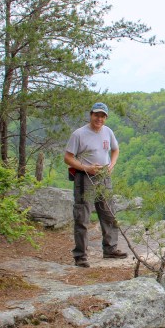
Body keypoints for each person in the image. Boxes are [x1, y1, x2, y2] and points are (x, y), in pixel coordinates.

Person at [64, 102, 128, 267]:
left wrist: (111, 165)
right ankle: (80, 256)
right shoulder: (79, 134)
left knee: (108, 213)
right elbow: (68, 158)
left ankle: (110, 249)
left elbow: (115, 149)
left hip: (104, 177)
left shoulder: (108, 132)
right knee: (82, 216)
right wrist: (87, 168)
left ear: (106, 117)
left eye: (102, 116)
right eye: (96, 115)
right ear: (91, 115)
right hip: (84, 177)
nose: (99, 119)